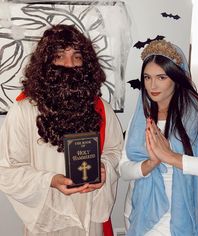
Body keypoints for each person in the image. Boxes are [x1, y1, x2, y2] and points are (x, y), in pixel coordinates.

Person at [0, 24, 123, 236]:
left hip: (89, 218)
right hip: (47, 220)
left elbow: (116, 152)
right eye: (59, 56)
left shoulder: (101, 108)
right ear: (46, 64)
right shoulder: (23, 111)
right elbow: (8, 170)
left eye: (76, 57)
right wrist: (50, 180)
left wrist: (104, 168)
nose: (70, 65)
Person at [119, 39, 198, 236]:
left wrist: (171, 157)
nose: (152, 85)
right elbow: (123, 169)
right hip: (136, 212)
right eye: (147, 77)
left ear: (176, 78)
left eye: (162, 77)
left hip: (175, 221)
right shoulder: (141, 118)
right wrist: (150, 164)